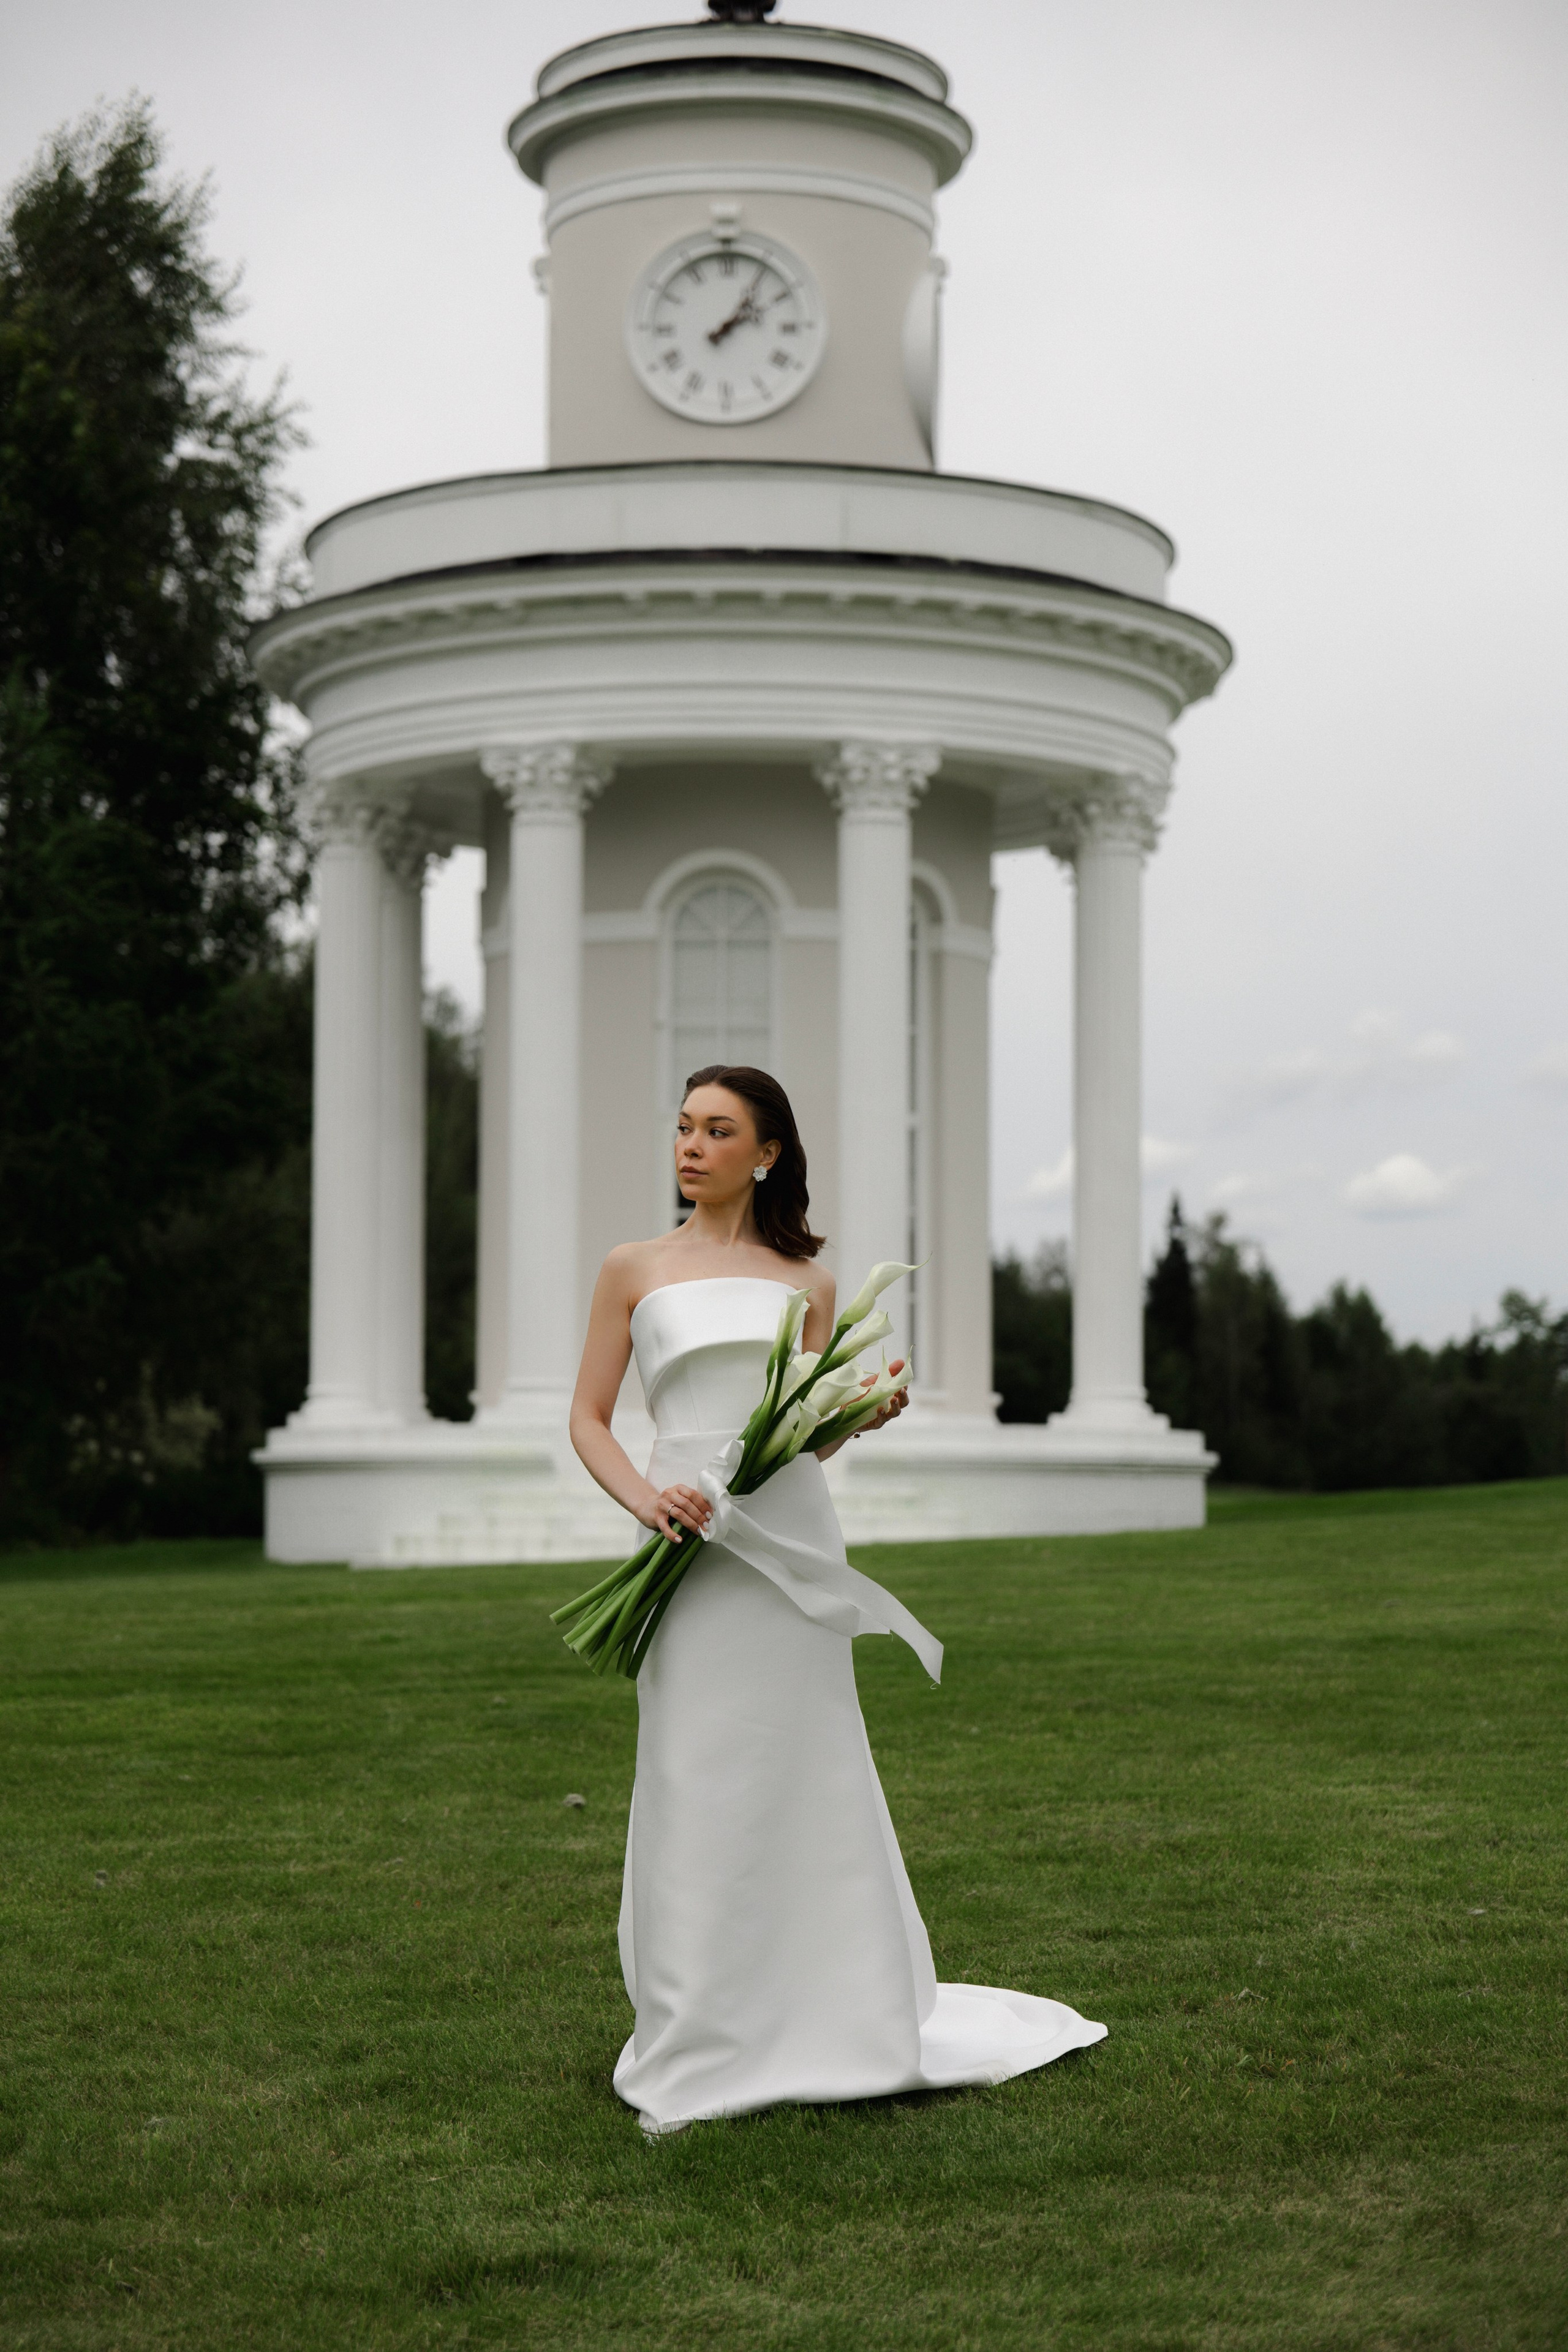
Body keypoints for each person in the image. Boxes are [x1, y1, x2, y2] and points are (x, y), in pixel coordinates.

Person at [570, 1063, 1106, 2133]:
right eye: (683, 1126)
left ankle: (831, 2011)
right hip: (684, 1534)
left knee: (800, 1763)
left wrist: (858, 1414)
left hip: (786, 1538)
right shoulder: (633, 1267)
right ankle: (697, 2027)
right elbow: (588, 1417)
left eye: (717, 1131)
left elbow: (801, 1437)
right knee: (691, 1768)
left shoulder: (810, 1285)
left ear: (766, 1154)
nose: (690, 1146)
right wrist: (647, 1497)